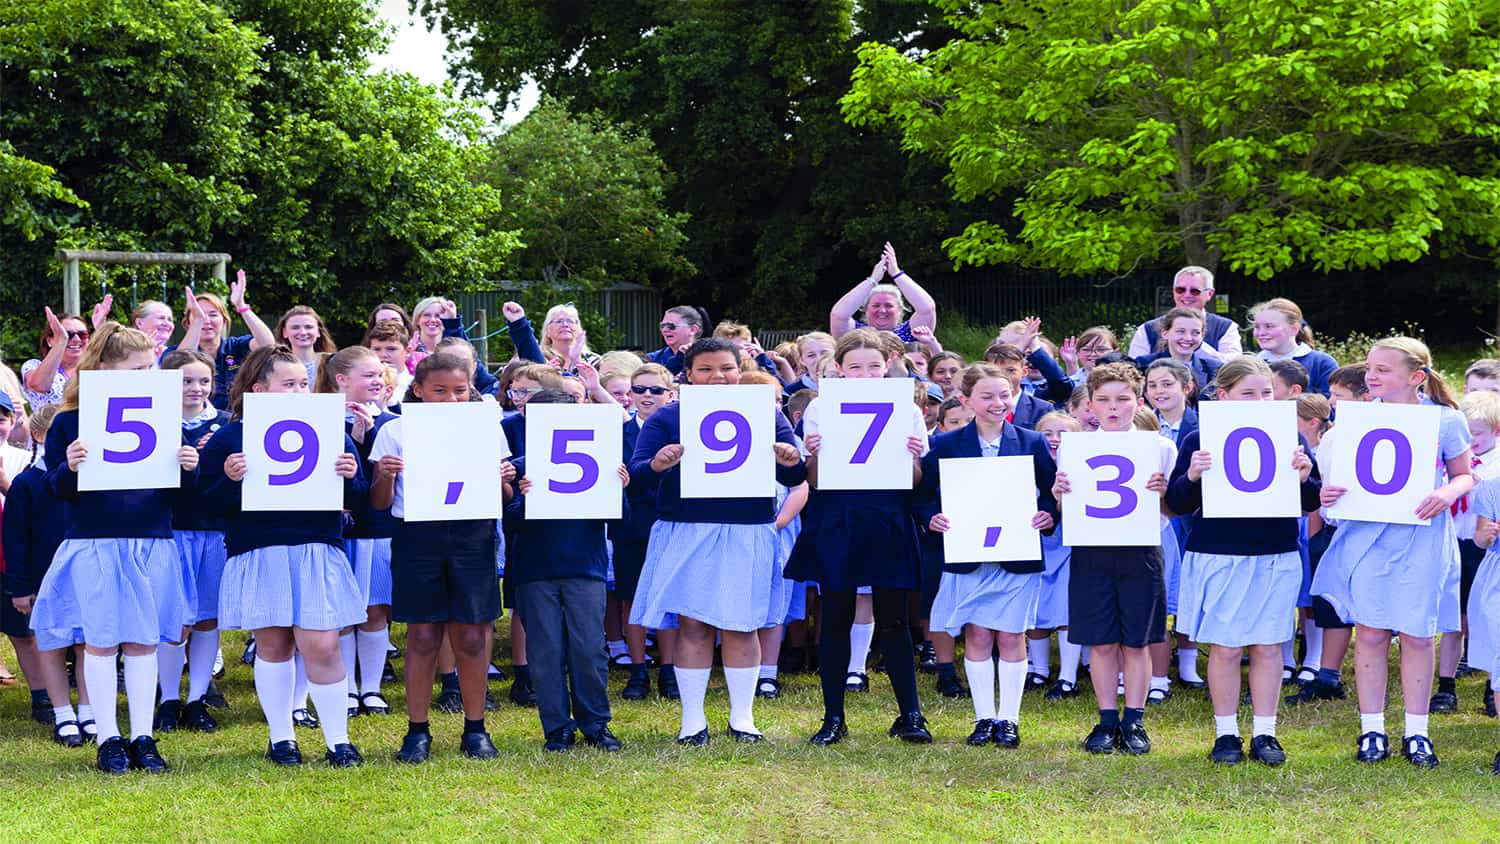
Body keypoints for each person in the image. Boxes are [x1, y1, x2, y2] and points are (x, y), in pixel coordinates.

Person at [28, 323, 199, 774]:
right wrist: (69, 467)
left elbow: (180, 494)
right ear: (104, 367)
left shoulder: (164, 417)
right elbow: (54, 490)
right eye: (138, 367)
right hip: (96, 542)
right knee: (101, 642)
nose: (148, 375)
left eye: (151, 367)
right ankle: (108, 738)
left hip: (151, 540)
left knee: (144, 641)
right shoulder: (69, 421)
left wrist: (188, 467)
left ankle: (143, 735)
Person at [628, 337, 807, 745]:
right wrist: (658, 464)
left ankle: (742, 717)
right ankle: (693, 719)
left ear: (739, 369)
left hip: (748, 529)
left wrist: (791, 461)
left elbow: (796, 478)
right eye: (705, 369)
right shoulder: (667, 418)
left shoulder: (767, 413)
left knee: (743, 623)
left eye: (726, 368)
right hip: (688, 527)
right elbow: (638, 474)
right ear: (687, 375)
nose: (717, 377)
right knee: (693, 623)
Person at [199, 345, 369, 768]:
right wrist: (228, 478)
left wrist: (351, 476)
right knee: (272, 645)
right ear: (259, 389)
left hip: (316, 547)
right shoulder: (231, 436)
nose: (298, 391)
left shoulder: (330, 429)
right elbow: (207, 502)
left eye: (303, 384)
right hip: (259, 549)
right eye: (288, 384)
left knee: (322, 645)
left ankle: (338, 742)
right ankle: (281, 739)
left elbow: (360, 499)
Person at [1311, 337, 1473, 768]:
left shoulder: (1444, 420)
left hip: (1420, 536)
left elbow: (1464, 476)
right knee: (1370, 632)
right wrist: (1329, 492)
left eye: (1383, 369)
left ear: (1416, 376)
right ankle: (1372, 729)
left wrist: (1445, 492)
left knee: (1418, 634)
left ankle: (1417, 733)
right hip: (1368, 537)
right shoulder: (1358, 419)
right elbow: (1343, 481)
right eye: (1370, 368)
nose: (1372, 376)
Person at [1166, 356, 1322, 766]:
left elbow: (1311, 503)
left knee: (1270, 644)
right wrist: (1194, 476)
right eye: (1248, 393)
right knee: (1227, 646)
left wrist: (1305, 476)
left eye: (1266, 392)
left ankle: (1266, 733)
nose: (1259, 399)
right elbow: (1178, 503)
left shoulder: (1291, 437)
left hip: (1275, 552)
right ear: (1224, 395)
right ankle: (1226, 733)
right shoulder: (1199, 437)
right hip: (1219, 553)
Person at [369, 353, 512, 763]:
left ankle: (475, 727)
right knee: (423, 634)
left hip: (472, 535)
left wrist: (502, 480)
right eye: (440, 391)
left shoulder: (486, 430)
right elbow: (380, 503)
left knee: (470, 633)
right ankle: (417, 730)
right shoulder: (395, 431)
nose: (451, 399)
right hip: (418, 537)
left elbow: (503, 498)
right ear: (418, 391)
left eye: (460, 391)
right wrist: (386, 475)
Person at [791, 328, 930, 746]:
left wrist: (912, 457)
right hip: (838, 519)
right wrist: (812, 452)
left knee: (894, 620)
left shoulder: (907, 409)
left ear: (887, 365)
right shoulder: (820, 408)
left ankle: (911, 715)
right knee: (835, 617)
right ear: (839, 369)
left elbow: (916, 480)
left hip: (887, 515)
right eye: (855, 367)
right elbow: (813, 480)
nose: (866, 373)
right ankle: (833, 717)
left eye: (873, 366)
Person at [920, 363, 1058, 748]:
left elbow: (1050, 492)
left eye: (1004, 394)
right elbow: (923, 494)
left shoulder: (1032, 441)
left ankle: (1009, 721)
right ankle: (984, 719)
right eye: (986, 396)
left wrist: (1048, 514)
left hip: (1017, 551)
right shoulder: (946, 445)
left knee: (1013, 635)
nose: (997, 403)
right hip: (968, 552)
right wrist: (931, 518)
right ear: (966, 400)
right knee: (978, 634)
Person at [1052, 362, 1175, 756]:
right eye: (1103, 400)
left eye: (1123, 399)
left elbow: (1173, 509)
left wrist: (1164, 492)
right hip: (1092, 550)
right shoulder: (1076, 446)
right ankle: (1106, 719)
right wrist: (1059, 493)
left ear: (1137, 401)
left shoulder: (1159, 446)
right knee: (1102, 642)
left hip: (1141, 551)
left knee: (1135, 642)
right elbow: (1067, 506)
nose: (1114, 407)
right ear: (1089, 405)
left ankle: (1134, 720)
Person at [509, 388, 628, 752]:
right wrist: (522, 498)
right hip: (535, 568)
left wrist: (619, 488)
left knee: (589, 648)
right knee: (545, 651)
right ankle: (557, 727)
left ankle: (596, 723)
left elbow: (619, 519)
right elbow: (506, 520)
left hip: (584, 566)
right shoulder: (520, 466)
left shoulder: (600, 457)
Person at [315, 347, 399, 717]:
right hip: (336, 532)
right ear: (341, 380)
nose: (377, 381)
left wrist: (368, 436)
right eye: (368, 375)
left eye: (379, 375)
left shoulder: (394, 422)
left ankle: (372, 688)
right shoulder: (316, 419)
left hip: (379, 529)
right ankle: (347, 688)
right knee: (343, 612)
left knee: (375, 610)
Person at [154, 350, 231, 733]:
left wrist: (206, 467)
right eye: (186, 381)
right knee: (174, 620)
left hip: (214, 531)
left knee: (206, 617)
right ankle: (168, 698)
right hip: (170, 530)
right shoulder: (150, 421)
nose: (196, 389)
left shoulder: (225, 424)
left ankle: (197, 699)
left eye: (203, 380)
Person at [3, 405, 85, 744]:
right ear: (40, 436)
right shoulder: (26, 484)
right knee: (47, 642)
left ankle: (89, 709)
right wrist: (20, 587)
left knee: (85, 642)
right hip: (41, 578)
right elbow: (16, 539)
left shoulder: (87, 478)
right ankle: (54, 706)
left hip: (81, 576)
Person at [1435, 390, 1500, 714]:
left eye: (1477, 434)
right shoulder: (1451, 458)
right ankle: (1446, 685)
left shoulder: (1496, 467)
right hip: (1452, 541)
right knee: (1452, 617)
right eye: (1467, 434)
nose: (1470, 441)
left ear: (1496, 432)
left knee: (1489, 618)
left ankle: (1493, 686)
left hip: (1486, 551)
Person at [616, 364, 679, 702]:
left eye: (655, 389)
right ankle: (638, 669)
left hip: (669, 520)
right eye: (639, 389)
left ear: (670, 394)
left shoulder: (680, 427)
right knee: (631, 597)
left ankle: (669, 669)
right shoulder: (617, 432)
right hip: (631, 524)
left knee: (667, 596)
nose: (646, 396)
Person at [1032, 411, 1085, 700]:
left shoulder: (1084, 466)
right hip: (1037, 542)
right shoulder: (1026, 463)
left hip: (1070, 543)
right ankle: (1037, 670)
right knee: (1037, 606)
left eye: (1063, 434)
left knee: (1067, 606)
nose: (1054, 439)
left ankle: (1068, 677)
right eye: (1047, 433)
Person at [174, 273, 277, 409]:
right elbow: (181, 362)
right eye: (199, 314)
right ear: (188, 323)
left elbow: (268, 345)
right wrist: (198, 321)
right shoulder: (177, 351)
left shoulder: (236, 346)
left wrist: (241, 306)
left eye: (213, 314)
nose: (206, 320)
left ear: (224, 320)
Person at [1126, 266, 1242, 362]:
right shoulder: (1147, 329)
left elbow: (1233, 365)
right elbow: (1134, 369)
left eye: (1194, 291)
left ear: (1210, 294)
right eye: (1180, 290)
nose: (1187, 295)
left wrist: (1196, 344)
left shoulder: (1225, 328)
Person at [830, 242, 938, 342]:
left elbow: (927, 309)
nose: (882, 310)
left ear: (900, 309)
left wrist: (896, 273)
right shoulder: (856, 334)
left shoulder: (911, 332)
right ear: (866, 309)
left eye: (889, 305)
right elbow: (838, 316)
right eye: (876, 305)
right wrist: (872, 280)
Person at [1252, 298, 1338, 397]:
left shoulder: (1321, 363)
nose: (1261, 333)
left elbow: (1333, 406)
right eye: (1257, 327)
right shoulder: (1250, 364)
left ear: (1294, 328)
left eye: (1269, 326)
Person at [1134, 308, 1222, 396]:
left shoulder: (1214, 369)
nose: (1188, 338)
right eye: (1181, 331)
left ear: (1202, 336)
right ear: (1165, 333)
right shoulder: (1143, 365)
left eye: (1195, 333)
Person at [22, 308, 90, 411]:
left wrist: (103, 330)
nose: (77, 339)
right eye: (68, 334)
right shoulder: (33, 365)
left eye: (82, 335)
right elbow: (40, 385)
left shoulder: (94, 368)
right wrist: (61, 341)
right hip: (49, 427)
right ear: (49, 340)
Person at [274, 305, 338, 384]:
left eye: (308, 327)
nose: (303, 332)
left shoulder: (333, 362)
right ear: (284, 332)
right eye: (295, 328)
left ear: (318, 332)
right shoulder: (275, 364)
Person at [647, 306, 710, 374]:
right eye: (662, 326)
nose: (665, 330)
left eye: (671, 326)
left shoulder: (709, 356)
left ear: (693, 329)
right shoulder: (652, 359)